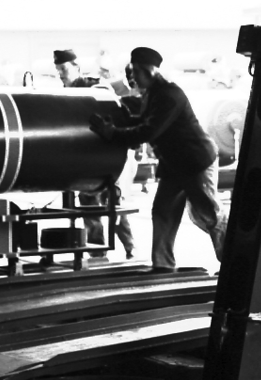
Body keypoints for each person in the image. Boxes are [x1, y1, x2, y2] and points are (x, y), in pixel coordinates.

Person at [90, 47, 225, 271]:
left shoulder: (170, 95)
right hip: (174, 163)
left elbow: (148, 131)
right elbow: (143, 121)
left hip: (195, 161)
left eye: (135, 72)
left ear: (150, 71)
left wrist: (112, 133)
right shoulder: (153, 93)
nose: (132, 77)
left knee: (209, 214)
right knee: (163, 211)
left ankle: (234, 262)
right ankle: (163, 265)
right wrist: (119, 122)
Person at [54, 47, 134, 261]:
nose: (60, 74)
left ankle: (129, 247)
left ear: (76, 67)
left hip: (106, 156)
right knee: (89, 205)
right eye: (58, 69)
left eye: (63, 69)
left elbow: (110, 103)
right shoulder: (62, 94)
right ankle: (98, 252)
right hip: (84, 159)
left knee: (114, 202)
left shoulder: (92, 85)